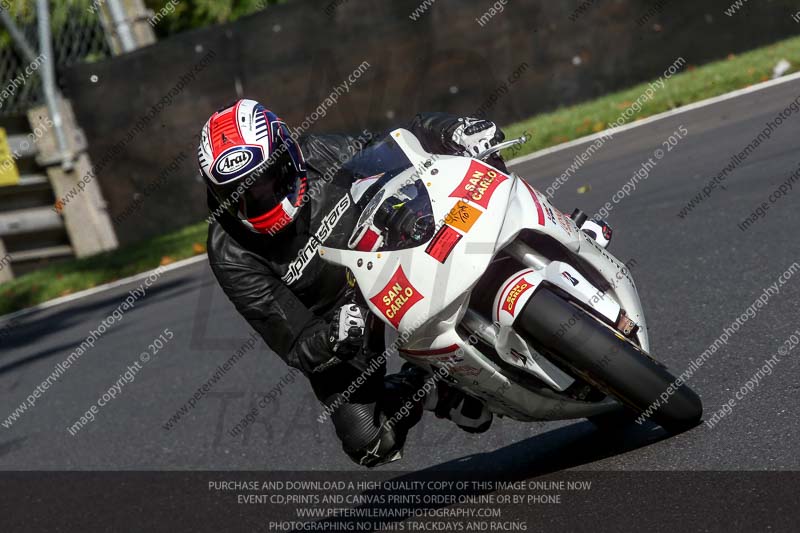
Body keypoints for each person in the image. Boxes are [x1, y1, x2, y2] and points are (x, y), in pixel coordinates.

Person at [199, 99, 504, 467]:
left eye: (264, 180)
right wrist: (332, 338)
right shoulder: (230, 252)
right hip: (340, 314)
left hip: (391, 250)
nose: (257, 196)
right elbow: (293, 340)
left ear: (286, 156)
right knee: (369, 441)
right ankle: (429, 386)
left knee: (484, 185)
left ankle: (579, 234)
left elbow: (401, 142)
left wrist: (451, 130)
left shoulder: (319, 154)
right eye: (241, 193)